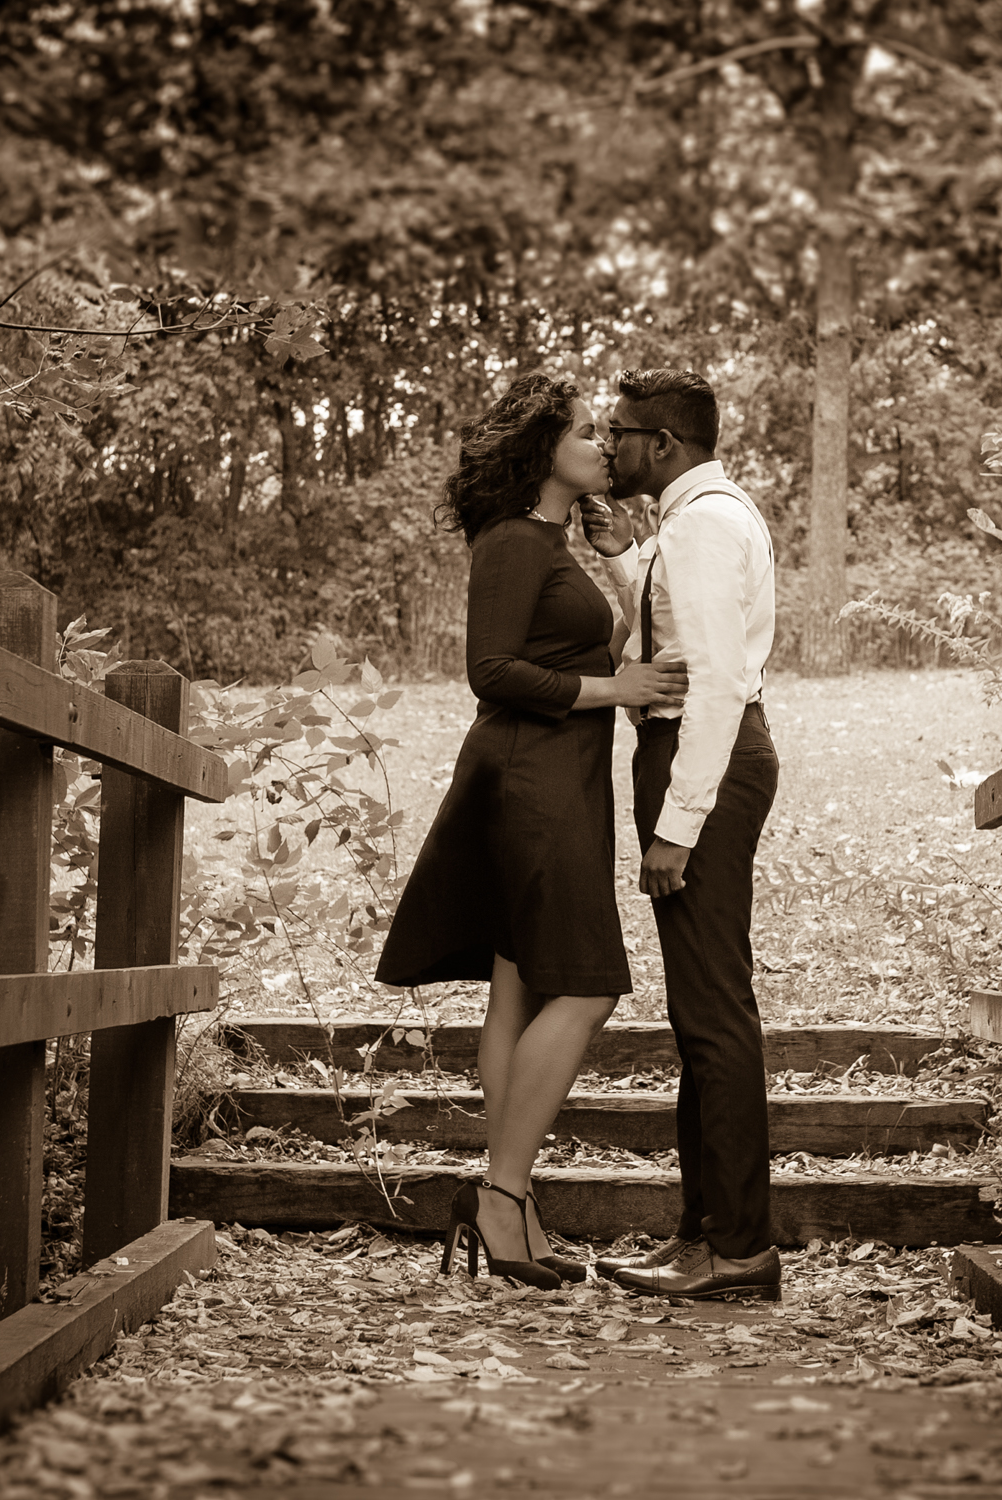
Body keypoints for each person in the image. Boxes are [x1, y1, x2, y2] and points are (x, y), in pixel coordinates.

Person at [375, 372, 689, 1291]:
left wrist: (620, 559)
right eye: (586, 433)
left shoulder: (556, 539)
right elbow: (492, 672)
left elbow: (604, 644)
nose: (603, 443)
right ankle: (501, 1195)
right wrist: (615, 691)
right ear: (542, 451)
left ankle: (508, 1205)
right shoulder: (513, 541)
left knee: (515, 989)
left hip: (557, 780)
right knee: (586, 988)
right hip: (530, 782)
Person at [580, 367, 781, 1302]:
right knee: (701, 1010)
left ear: (661, 445)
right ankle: (707, 1237)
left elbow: (711, 683)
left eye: (619, 432)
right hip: (703, 754)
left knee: (713, 1011)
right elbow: (668, 633)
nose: (608, 443)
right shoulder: (695, 518)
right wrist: (625, 559)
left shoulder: (701, 525)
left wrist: (678, 827)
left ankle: (739, 1249)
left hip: (703, 759)